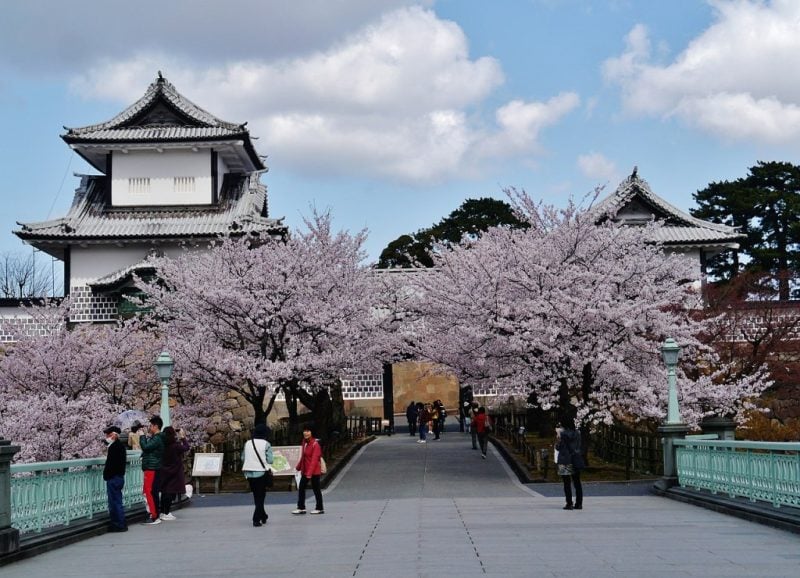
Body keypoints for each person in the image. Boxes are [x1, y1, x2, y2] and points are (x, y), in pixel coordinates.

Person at [242, 423, 274, 527]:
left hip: (249, 473)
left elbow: (243, 458)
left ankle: (263, 515)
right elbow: (270, 460)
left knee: (256, 496)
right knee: (261, 496)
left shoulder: (247, 443)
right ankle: (256, 518)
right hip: (261, 472)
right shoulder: (266, 444)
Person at [159, 426, 189, 521]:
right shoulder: (175, 446)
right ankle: (167, 512)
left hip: (163, 471)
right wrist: (183, 437)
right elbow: (186, 447)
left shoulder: (162, 445)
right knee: (170, 493)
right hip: (174, 472)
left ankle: (162, 512)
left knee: (164, 492)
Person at [293, 425, 324, 515]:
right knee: (301, 488)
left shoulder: (315, 444)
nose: (306, 433)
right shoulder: (304, 442)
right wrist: (298, 467)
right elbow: (303, 457)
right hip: (305, 470)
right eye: (305, 430)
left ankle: (319, 508)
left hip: (314, 471)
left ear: (312, 432)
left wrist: (309, 473)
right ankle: (301, 507)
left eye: (308, 431)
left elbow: (314, 460)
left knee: (316, 489)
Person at [139, 415, 164, 525]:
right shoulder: (158, 438)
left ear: (155, 426)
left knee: (148, 491)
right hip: (153, 467)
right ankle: (154, 514)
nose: (149, 428)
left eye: (151, 426)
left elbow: (146, 447)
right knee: (151, 491)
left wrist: (142, 437)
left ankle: (153, 515)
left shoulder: (157, 438)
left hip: (151, 468)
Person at [555, 417, 584, 510]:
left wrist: (558, 439)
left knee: (567, 483)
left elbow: (559, 447)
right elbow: (579, 445)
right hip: (575, 458)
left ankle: (569, 503)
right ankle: (579, 503)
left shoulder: (562, 434)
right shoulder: (578, 433)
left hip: (565, 460)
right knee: (577, 482)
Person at [103, 425, 128, 532]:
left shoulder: (114, 447)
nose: (107, 437)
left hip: (113, 477)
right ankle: (120, 523)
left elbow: (111, 464)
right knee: (117, 500)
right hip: (119, 477)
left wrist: (107, 475)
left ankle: (118, 524)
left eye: (108, 435)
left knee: (114, 502)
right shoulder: (121, 446)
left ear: (114, 435)